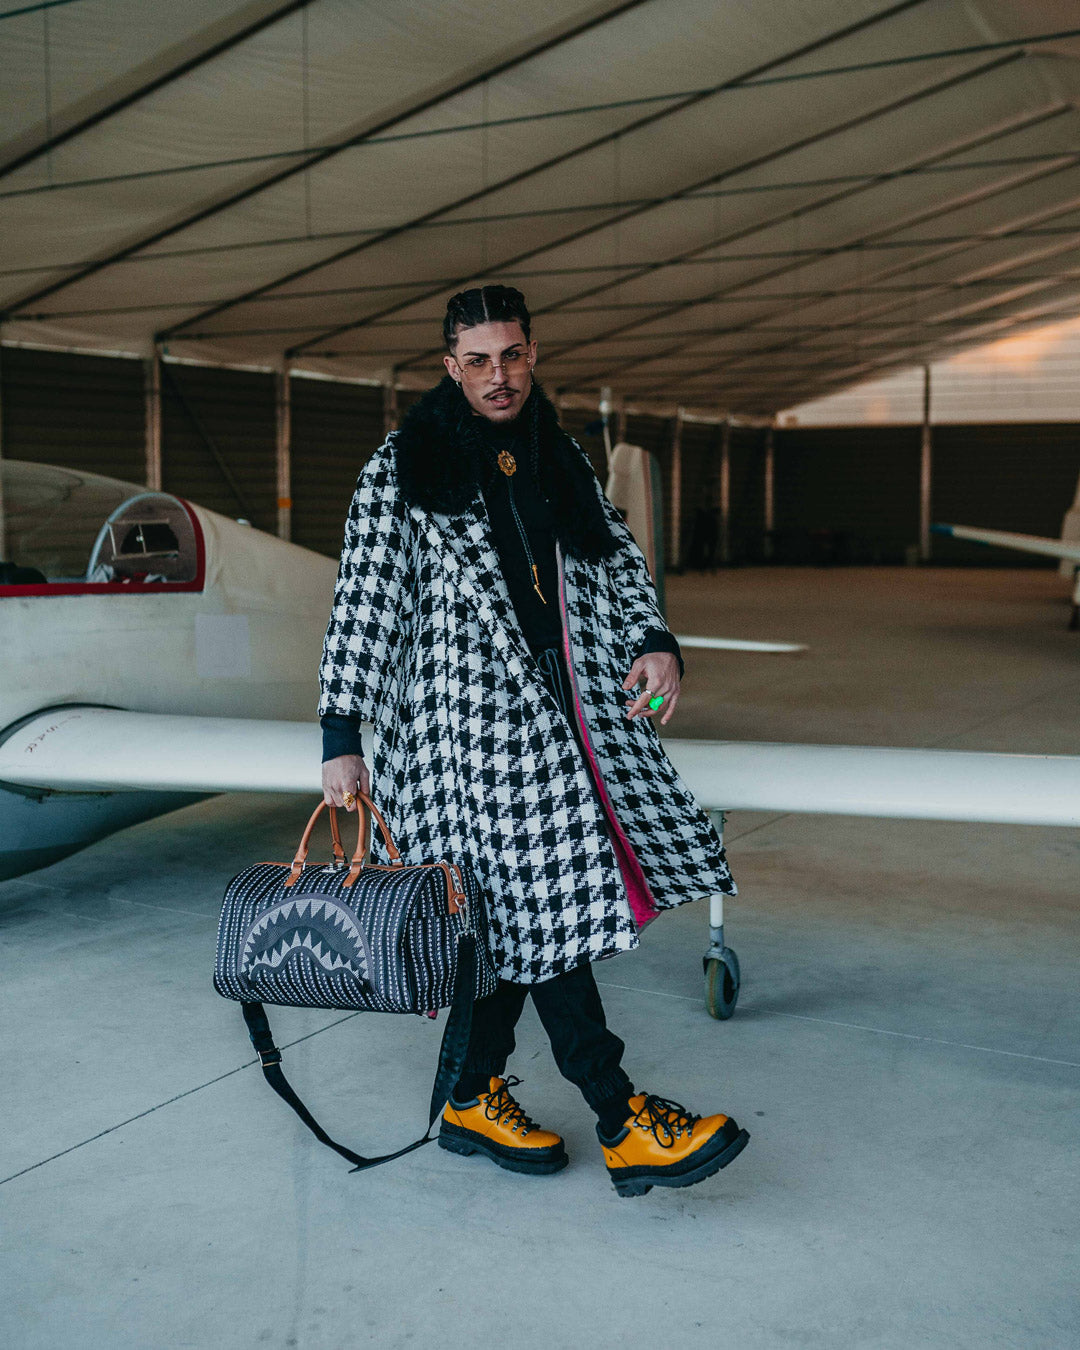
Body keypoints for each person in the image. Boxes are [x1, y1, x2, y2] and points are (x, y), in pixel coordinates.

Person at [319, 284, 748, 1197]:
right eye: (477, 361)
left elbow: (613, 556)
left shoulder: (559, 452)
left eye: (510, 355)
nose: (498, 376)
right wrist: (340, 731)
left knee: (510, 918)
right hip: (465, 730)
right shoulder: (405, 464)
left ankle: (472, 1097)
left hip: (568, 706)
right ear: (450, 367)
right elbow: (365, 597)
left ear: (533, 353)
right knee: (541, 917)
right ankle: (622, 1117)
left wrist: (653, 637)